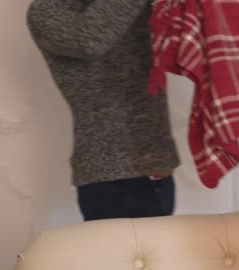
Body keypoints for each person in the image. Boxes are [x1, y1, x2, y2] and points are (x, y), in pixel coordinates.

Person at [26, 0, 180, 221]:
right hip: (109, 177)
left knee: (162, 254)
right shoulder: (46, 11)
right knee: (112, 256)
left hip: (157, 166)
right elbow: (90, 38)